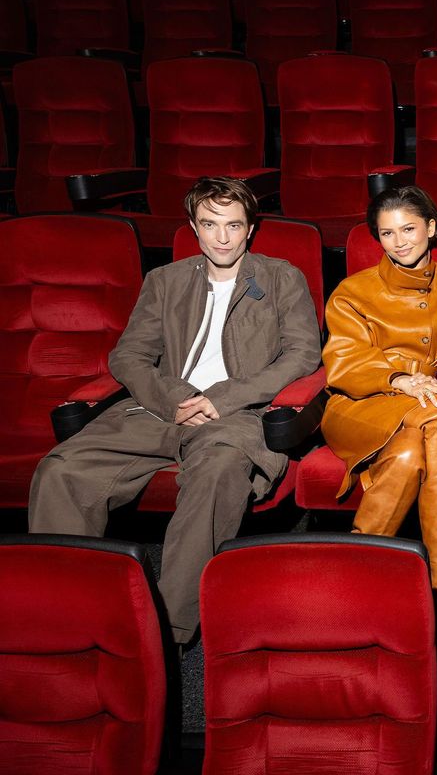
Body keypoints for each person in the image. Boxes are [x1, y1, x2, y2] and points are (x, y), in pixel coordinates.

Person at [28, 176, 322, 646]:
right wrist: (174, 399)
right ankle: (67, 619)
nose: (222, 238)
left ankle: (166, 633)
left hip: (237, 416)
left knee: (216, 473)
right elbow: (129, 356)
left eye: (233, 225)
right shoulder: (164, 281)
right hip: (158, 410)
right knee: (60, 470)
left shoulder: (281, 277)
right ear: (193, 226)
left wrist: (223, 398)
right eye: (210, 224)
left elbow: (302, 356)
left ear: (250, 229)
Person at [321, 185, 437, 646]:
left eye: (408, 229)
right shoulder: (353, 291)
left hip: (426, 406)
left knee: (408, 457)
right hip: (362, 405)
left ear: (431, 228)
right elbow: (343, 363)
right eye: (387, 233)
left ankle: (355, 582)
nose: (399, 242)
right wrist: (400, 379)